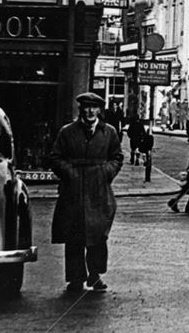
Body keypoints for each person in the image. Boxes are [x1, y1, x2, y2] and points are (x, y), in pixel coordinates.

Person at [48, 91, 124, 294]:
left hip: (99, 190)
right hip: (73, 191)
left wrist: (106, 172)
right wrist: (70, 174)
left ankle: (95, 275)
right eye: (86, 107)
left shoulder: (109, 132)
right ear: (81, 110)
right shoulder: (67, 132)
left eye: (94, 107)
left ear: (99, 110)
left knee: (98, 235)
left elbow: (117, 157)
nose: (90, 111)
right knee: (74, 236)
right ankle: (75, 279)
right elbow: (55, 158)